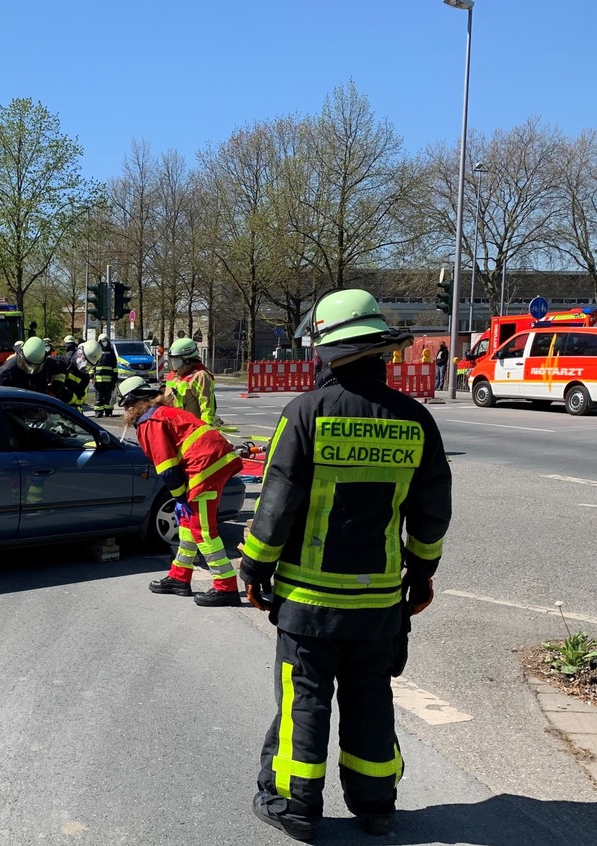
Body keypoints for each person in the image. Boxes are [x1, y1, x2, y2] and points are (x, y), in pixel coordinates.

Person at [237, 289, 451, 841]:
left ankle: (294, 806)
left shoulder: (305, 413)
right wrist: (422, 574)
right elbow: (431, 514)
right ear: (381, 350)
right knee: (371, 700)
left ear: (330, 351)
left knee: (304, 702)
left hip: (309, 605)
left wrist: (253, 569)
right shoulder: (416, 420)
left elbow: (276, 503)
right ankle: (377, 805)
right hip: (379, 604)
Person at [118, 376, 244, 606]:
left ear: (134, 404)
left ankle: (226, 587)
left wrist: (179, 497)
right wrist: (181, 498)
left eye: (125, 406)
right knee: (187, 526)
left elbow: (167, 468)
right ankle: (179, 577)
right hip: (209, 463)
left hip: (205, 468)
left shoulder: (150, 422)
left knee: (202, 529)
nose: (125, 412)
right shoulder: (162, 413)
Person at [163, 337, 220, 427]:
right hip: (173, 428)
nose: (173, 363)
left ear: (187, 360)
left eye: (176, 360)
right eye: (172, 359)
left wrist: (206, 428)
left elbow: (207, 406)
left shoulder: (200, 376)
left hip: (191, 428)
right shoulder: (173, 375)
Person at [0, 336, 64, 392]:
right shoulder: (6, 371)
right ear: (21, 355)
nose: (31, 369)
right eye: (28, 364)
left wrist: (57, 383)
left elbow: (62, 366)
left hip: (39, 404)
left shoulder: (46, 362)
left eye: (36, 366)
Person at [50, 339, 101, 410]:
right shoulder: (61, 362)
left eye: (88, 364)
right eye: (83, 359)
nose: (84, 364)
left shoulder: (85, 378)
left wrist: (66, 394)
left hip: (67, 410)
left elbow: (80, 400)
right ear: (79, 351)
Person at [91, 333, 118, 417]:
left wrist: (115, 376)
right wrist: (91, 376)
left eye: (105, 340)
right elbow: (92, 364)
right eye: (102, 341)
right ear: (99, 341)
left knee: (108, 396)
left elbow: (115, 365)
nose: (104, 342)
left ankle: (108, 411)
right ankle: (98, 412)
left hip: (109, 379)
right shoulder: (96, 351)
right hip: (98, 379)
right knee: (99, 396)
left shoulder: (111, 351)